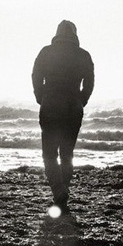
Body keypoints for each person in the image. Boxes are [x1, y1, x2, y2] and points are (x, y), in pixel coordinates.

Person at [32, 20, 94, 212]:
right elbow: (90, 82)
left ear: (57, 33)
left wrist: (41, 97)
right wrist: (81, 100)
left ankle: (58, 191)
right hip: (73, 107)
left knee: (49, 154)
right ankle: (63, 189)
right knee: (67, 154)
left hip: (50, 105)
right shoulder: (83, 55)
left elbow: (36, 76)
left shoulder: (46, 52)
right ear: (75, 34)